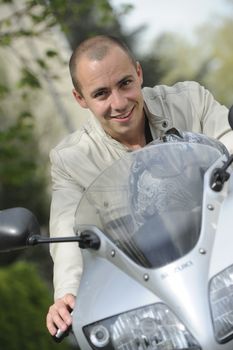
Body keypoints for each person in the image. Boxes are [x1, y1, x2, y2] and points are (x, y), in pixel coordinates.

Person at [46, 35, 233, 336]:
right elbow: (67, 231)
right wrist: (66, 295)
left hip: (223, 260)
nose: (119, 103)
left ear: (139, 73)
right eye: (101, 93)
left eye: (125, 83)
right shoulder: (72, 160)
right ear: (80, 99)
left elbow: (229, 141)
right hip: (149, 301)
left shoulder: (190, 100)